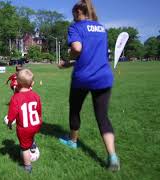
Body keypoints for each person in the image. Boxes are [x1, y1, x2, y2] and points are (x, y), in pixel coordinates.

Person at [57, 0, 120, 171]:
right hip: (104, 77)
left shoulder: (76, 27)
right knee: (102, 117)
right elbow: (92, 54)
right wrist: (71, 62)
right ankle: (112, 156)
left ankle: (73, 141)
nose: (73, 18)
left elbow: (77, 48)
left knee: (75, 109)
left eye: (73, 15)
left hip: (83, 78)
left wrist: (67, 60)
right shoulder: (101, 28)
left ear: (78, 11)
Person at [6, 68, 43, 173]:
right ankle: (32, 144)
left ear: (17, 83)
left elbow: (12, 114)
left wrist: (9, 123)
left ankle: (27, 167)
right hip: (36, 124)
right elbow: (38, 110)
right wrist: (39, 119)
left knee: (24, 148)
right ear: (32, 83)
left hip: (24, 128)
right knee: (30, 135)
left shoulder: (16, 98)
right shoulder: (36, 95)